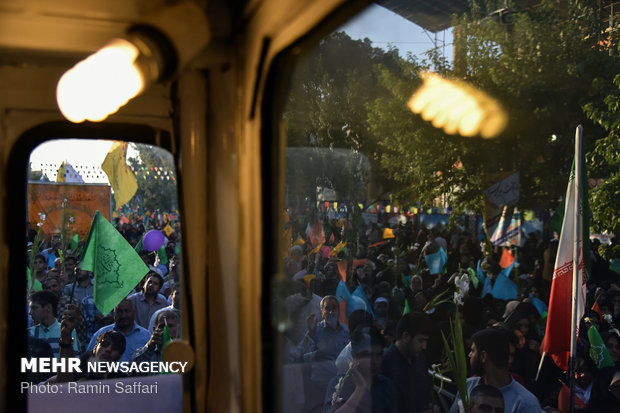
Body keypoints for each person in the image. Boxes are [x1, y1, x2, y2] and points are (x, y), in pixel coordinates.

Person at [449, 328, 543, 413]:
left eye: (473, 351)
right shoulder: (468, 385)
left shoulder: (525, 403)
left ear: (483, 356)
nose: (469, 355)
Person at [324, 326, 396, 413]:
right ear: (354, 355)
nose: (374, 361)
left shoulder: (386, 386)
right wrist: (360, 389)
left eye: (379, 355)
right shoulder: (338, 385)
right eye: (368, 355)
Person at [300, 295, 349, 413]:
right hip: (319, 387)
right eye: (327, 308)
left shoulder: (346, 331)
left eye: (334, 308)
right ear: (322, 312)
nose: (331, 311)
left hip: (340, 387)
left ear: (339, 311)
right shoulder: (315, 330)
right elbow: (303, 357)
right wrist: (318, 353)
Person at [380, 312, 436, 413]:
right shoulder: (385, 365)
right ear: (405, 336)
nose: (424, 346)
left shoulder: (420, 358)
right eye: (420, 340)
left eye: (426, 341)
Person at [86, 299, 151, 362]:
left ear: (134, 312)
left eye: (127, 311)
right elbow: (88, 358)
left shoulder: (146, 336)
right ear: (114, 314)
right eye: (119, 312)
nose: (123, 315)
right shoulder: (102, 333)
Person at [27, 290, 80, 357]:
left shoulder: (68, 330)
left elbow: (74, 360)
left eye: (34, 308)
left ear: (48, 308)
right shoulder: (29, 332)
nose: (30, 312)